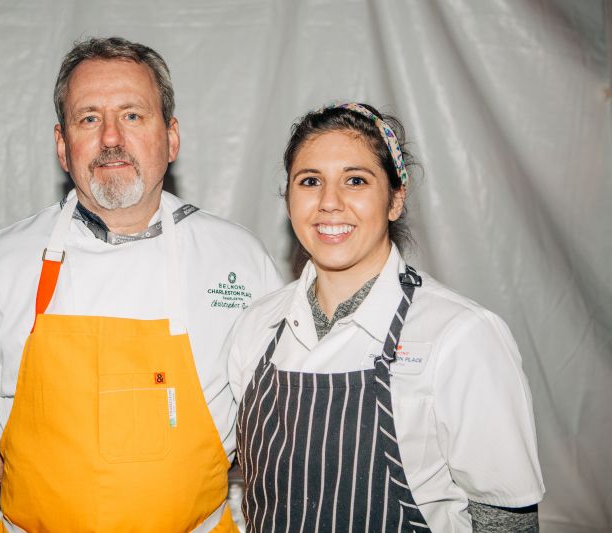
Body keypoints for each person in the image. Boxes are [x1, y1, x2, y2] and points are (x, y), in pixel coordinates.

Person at [0, 36, 284, 532]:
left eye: (133, 115)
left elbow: (282, 416)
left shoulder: (238, 260)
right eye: (89, 118)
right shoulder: (0, 264)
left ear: (171, 137)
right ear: (63, 145)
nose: (111, 138)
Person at [225, 102, 545, 531]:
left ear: (396, 199)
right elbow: (247, 488)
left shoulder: (460, 335)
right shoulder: (256, 327)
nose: (329, 202)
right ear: (288, 198)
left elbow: (506, 519)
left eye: (355, 180)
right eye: (310, 181)